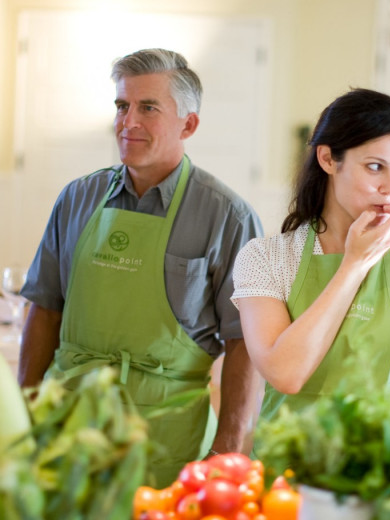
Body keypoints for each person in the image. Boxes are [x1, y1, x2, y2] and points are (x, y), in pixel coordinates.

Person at [17, 48, 264, 487]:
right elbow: (45, 310)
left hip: (165, 438)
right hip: (68, 425)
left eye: (148, 108)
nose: (128, 122)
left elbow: (245, 342)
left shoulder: (228, 215)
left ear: (188, 124)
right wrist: (24, 416)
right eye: (121, 106)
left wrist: (229, 450)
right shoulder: (77, 198)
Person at [231, 88, 390, 440]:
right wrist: (354, 264)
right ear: (327, 159)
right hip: (291, 477)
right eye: (375, 167)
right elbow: (286, 373)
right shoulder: (265, 259)